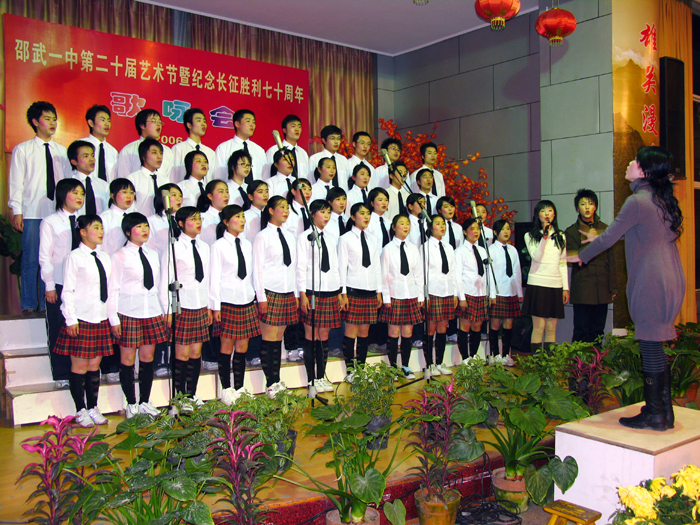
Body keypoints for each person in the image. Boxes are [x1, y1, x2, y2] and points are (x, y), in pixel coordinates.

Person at [568, 146, 685, 431]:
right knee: (655, 344)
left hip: (650, 280)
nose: (628, 163)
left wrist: (581, 256)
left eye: (634, 161)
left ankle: (655, 414)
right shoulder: (661, 199)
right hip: (670, 277)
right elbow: (627, 233)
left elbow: (609, 236)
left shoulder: (637, 200)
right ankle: (663, 411)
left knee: (650, 346)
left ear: (643, 171)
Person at [9, 101, 72, 314]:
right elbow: (16, 182)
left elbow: (66, 183)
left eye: (54, 119)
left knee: (53, 259)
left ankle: (48, 305)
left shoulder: (62, 151)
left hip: (56, 214)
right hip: (32, 212)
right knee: (31, 259)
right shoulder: (23, 149)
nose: (52, 123)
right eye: (47, 119)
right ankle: (29, 304)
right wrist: (17, 211)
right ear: (35, 122)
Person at [54, 214, 112, 427]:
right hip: (81, 317)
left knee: (94, 365)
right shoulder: (74, 257)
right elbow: (67, 290)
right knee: (79, 366)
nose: (100, 232)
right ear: (83, 232)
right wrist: (71, 319)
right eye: (95, 228)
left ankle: (93, 407)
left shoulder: (105, 257)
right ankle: (80, 409)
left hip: (100, 316)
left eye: (101, 228)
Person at [108, 212, 167, 419]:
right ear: (127, 232)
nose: (144, 230)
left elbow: (159, 285)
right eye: (139, 227)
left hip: (151, 311)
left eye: (146, 226)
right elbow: (113, 288)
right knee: (127, 359)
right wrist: (113, 318)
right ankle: (131, 403)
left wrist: (164, 310)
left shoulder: (153, 254)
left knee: (147, 358)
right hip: (128, 312)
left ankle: (144, 401)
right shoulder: (119, 256)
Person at [161, 206, 212, 403]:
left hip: (200, 304)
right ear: (181, 224)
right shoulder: (173, 247)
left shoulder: (204, 247)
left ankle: (191, 395)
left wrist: (209, 305)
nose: (198, 222)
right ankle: (179, 396)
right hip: (182, 305)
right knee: (181, 354)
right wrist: (168, 309)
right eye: (193, 219)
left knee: (195, 353)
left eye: (199, 219)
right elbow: (165, 280)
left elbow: (207, 279)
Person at [210, 205, 261, 403]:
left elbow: (253, 274)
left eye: (242, 217)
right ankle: (226, 388)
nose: (242, 220)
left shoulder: (246, 244)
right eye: (237, 217)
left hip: (246, 299)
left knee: (242, 346)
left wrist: (256, 297)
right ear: (225, 222)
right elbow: (214, 278)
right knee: (227, 346)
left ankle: (239, 387)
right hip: (227, 301)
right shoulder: (219, 246)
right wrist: (216, 306)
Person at [39, 179, 85, 388]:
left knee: (81, 328)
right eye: (74, 193)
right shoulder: (50, 222)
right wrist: (49, 285)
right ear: (62, 195)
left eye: (82, 194)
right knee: (58, 328)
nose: (79, 197)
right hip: (58, 282)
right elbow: (45, 256)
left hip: (81, 284)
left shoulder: (83, 222)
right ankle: (61, 374)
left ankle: (80, 372)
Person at [252, 196, 299, 397]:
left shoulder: (290, 235)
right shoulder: (262, 237)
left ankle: (277, 380)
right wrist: (261, 297)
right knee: (269, 339)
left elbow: (293, 267)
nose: (286, 211)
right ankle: (270, 383)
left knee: (278, 339)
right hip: (270, 292)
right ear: (271, 210)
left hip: (287, 291)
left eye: (287, 207)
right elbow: (257, 269)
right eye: (281, 207)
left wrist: (296, 293)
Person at [296, 199, 343, 393]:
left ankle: (321, 376)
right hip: (312, 291)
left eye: (329, 213)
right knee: (311, 334)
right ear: (312, 214)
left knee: (324, 335)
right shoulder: (304, 237)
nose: (326, 216)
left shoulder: (331, 238)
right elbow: (300, 267)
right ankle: (311, 379)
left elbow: (336, 266)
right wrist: (302, 293)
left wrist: (339, 291)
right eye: (322, 212)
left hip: (330, 290)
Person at [564, 189, 617, 343]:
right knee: (581, 329)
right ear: (577, 208)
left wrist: (613, 287)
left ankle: (596, 358)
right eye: (583, 204)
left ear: (595, 207)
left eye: (591, 203)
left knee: (598, 330)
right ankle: (579, 359)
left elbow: (611, 259)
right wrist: (592, 241)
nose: (587, 207)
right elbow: (572, 258)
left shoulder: (605, 229)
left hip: (602, 287)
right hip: (583, 288)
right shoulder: (571, 231)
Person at [338, 203, 382, 382]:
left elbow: (377, 266)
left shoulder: (373, 239)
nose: (366, 217)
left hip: (370, 290)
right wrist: (343, 293)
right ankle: (350, 371)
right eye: (362, 213)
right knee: (351, 332)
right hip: (353, 290)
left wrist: (379, 291)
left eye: (368, 213)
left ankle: (361, 370)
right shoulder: (345, 239)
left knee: (364, 332)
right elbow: (341, 267)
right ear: (353, 216)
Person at [379, 214, 424, 377]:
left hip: (411, 294)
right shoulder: (388, 249)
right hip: (394, 295)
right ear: (393, 227)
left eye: (407, 224)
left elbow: (418, 274)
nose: (405, 226)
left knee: (407, 333)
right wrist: (386, 297)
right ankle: (392, 368)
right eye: (401, 223)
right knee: (393, 333)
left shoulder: (413, 248)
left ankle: (405, 365)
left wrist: (420, 296)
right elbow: (384, 275)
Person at [522, 200, 569, 353]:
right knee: (539, 326)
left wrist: (565, 288)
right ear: (538, 215)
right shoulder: (530, 235)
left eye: (550, 210)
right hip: (537, 284)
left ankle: (550, 361)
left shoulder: (561, 236)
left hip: (555, 285)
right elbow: (536, 257)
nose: (547, 213)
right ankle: (537, 361)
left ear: (554, 214)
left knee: (551, 327)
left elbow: (563, 263)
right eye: (543, 211)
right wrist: (544, 238)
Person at [422, 215, 458, 377]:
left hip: (447, 291)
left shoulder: (448, 247)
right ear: (430, 227)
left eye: (443, 224)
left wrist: (455, 293)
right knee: (431, 329)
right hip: (433, 291)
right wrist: (424, 296)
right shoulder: (425, 247)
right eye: (438, 224)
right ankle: (429, 363)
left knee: (443, 328)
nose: (442, 226)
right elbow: (421, 273)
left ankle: (439, 362)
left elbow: (453, 271)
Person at [455, 218, 493, 363]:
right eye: (472, 229)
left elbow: (488, 274)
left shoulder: (483, 250)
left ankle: (473, 355)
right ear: (465, 232)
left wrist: (491, 294)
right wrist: (462, 298)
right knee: (465, 326)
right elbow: (457, 276)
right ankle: (465, 358)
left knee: (477, 326)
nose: (476, 231)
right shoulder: (460, 251)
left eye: (477, 229)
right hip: (467, 292)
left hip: (481, 293)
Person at [488, 220, 522, 367]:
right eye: (503, 229)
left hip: (511, 291)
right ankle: (495, 354)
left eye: (508, 228)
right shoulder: (491, 250)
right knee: (495, 324)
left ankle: (506, 354)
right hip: (498, 291)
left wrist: (519, 291)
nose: (506, 232)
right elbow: (490, 274)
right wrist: (492, 294)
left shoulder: (512, 250)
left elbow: (517, 272)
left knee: (509, 324)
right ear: (496, 232)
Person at [117, 109, 173, 180]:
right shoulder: (129, 150)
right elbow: (123, 178)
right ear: (142, 125)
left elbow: (169, 178)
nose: (158, 124)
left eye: (159, 122)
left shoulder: (167, 151)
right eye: (153, 121)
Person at [213, 109, 266, 182]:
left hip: (256, 189)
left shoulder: (259, 150)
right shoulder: (224, 148)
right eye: (248, 121)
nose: (252, 125)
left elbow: (265, 176)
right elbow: (218, 176)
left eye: (253, 122)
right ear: (237, 124)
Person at [170, 108, 216, 184]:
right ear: (189, 125)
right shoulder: (178, 149)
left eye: (204, 121)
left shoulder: (210, 153)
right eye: (199, 121)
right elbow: (173, 177)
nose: (203, 124)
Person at [127, 138, 170, 217]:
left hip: (161, 222)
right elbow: (129, 208)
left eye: (161, 153)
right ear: (143, 156)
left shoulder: (165, 180)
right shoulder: (132, 179)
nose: (159, 157)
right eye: (154, 153)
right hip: (140, 222)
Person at [67, 140, 109, 216]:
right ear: (74, 161)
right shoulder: (68, 186)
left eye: (92, 155)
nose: (91, 159)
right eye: (86, 156)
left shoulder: (104, 185)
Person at [264, 114, 309, 180]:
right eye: (293, 126)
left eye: (299, 126)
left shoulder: (303, 153)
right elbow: (266, 175)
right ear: (284, 130)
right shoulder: (274, 150)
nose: (297, 129)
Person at [82, 105, 118, 182]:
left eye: (108, 120)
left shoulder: (113, 151)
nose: (107, 124)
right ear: (91, 123)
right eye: (102, 120)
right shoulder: (80, 146)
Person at [308, 125, 349, 189]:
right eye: (332, 138)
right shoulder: (314, 159)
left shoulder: (343, 160)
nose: (336, 142)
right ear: (324, 140)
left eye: (338, 138)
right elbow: (311, 181)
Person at [198, 180, 230, 246]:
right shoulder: (201, 218)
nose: (226, 195)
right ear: (210, 196)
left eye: (227, 192)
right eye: (221, 192)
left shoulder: (231, 217)